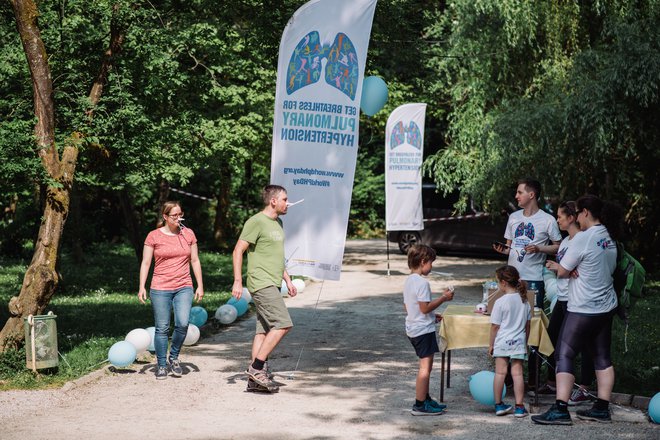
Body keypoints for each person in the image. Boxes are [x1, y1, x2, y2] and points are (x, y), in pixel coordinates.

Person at [532, 195, 622, 425]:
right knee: (601, 355)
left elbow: (562, 271)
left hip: (584, 305)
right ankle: (602, 407)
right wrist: (571, 268)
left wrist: (566, 268)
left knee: (565, 353)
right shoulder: (609, 237)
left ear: (584, 213)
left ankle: (560, 408)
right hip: (606, 305)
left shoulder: (584, 237)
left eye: (579, 213)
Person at [493, 178, 561, 388]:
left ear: (531, 195)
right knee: (506, 325)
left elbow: (558, 247)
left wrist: (540, 249)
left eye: (519, 192)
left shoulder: (548, 220)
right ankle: (507, 377)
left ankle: (531, 378)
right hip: (510, 280)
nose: (516, 196)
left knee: (530, 328)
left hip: (533, 281)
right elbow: (509, 248)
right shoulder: (513, 218)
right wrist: (502, 250)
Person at [232, 185, 297, 391]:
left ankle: (254, 381)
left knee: (264, 329)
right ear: (273, 201)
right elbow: (237, 251)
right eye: (285, 199)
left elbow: (276, 255)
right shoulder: (256, 222)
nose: (288, 203)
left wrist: (287, 279)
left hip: (274, 281)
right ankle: (256, 368)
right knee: (283, 324)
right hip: (261, 281)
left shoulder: (278, 222)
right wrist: (237, 281)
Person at [138, 201, 204, 380]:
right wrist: (141, 286)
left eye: (180, 214)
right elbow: (146, 263)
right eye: (174, 215)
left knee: (182, 324)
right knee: (162, 328)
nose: (178, 218)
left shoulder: (188, 234)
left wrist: (200, 285)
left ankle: (173, 357)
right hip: (160, 287)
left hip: (184, 286)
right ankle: (161, 364)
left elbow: (195, 260)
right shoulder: (153, 236)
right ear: (165, 217)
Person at [539, 201, 595, 400]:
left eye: (560, 216)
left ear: (571, 218)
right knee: (552, 340)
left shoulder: (581, 239)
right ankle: (553, 383)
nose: (557, 220)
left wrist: (559, 268)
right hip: (562, 299)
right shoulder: (565, 241)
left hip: (575, 301)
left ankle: (584, 387)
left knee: (580, 345)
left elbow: (576, 270)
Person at [403, 244, 454, 416]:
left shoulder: (409, 280)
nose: (431, 266)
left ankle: (425, 398)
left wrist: (433, 315)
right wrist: (444, 298)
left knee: (426, 367)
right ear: (423, 261)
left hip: (413, 327)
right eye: (431, 263)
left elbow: (409, 307)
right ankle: (419, 405)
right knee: (425, 369)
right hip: (423, 331)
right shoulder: (422, 283)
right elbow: (424, 308)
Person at [489, 265, 532, 418]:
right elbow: (528, 326)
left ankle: (499, 405)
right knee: (518, 374)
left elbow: (495, 326)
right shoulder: (525, 302)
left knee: (500, 373)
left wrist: (491, 344)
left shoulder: (500, 302)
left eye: (497, 282)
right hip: (519, 342)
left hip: (502, 342)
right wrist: (525, 343)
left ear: (503, 283)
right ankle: (519, 407)